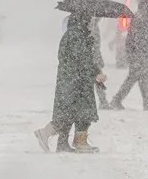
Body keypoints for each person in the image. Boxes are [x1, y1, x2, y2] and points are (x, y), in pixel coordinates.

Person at [34, 12, 105, 153]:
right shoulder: (76, 36)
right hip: (75, 81)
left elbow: (82, 58)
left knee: (70, 112)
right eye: (88, 19)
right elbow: (83, 59)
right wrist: (95, 72)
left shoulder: (75, 34)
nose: (90, 22)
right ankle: (50, 134)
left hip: (72, 80)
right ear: (83, 20)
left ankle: (63, 143)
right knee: (75, 113)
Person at [109, 0, 148, 112]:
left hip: (138, 54)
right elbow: (136, 39)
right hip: (137, 54)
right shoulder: (140, 19)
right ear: (146, 8)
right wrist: (140, 53)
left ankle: (147, 103)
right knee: (137, 78)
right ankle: (118, 100)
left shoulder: (140, 17)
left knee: (141, 78)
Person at [90, 18, 111, 110]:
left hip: (92, 58)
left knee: (98, 80)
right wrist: (97, 59)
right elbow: (94, 46)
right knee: (98, 80)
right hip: (91, 58)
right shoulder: (91, 27)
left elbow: (96, 46)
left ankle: (103, 102)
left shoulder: (93, 26)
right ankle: (103, 102)